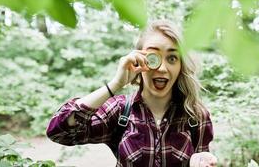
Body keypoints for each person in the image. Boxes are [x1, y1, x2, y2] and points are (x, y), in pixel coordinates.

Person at [46, 19, 217, 167]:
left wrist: (201, 159)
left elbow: (202, 157)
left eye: (172, 58)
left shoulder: (196, 116)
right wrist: (115, 84)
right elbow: (58, 132)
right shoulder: (120, 111)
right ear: (138, 59)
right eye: (153, 57)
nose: (162, 68)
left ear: (181, 66)